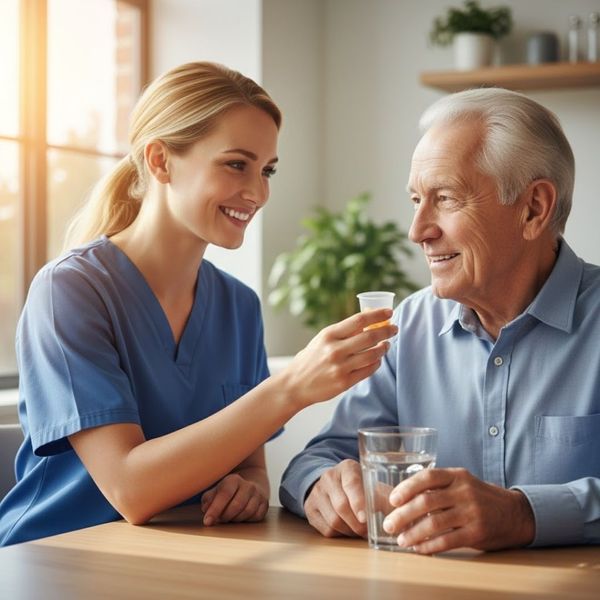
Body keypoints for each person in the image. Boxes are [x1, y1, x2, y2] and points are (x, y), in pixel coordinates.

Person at [0, 62, 397, 546]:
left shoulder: (238, 306)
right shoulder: (70, 293)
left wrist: (246, 489)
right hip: (53, 559)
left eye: (266, 170)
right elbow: (131, 489)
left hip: (181, 559)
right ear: (161, 161)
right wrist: (293, 388)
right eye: (237, 164)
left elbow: (251, 468)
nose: (257, 192)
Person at [280, 87, 600, 553]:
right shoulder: (407, 326)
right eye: (416, 200)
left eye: (445, 198)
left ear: (533, 208)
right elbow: (321, 457)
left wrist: (523, 514)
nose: (418, 231)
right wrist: (322, 487)